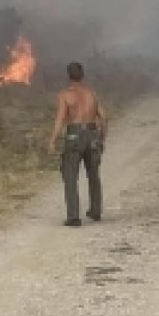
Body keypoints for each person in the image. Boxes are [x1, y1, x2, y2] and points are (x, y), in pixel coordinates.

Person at [48, 61, 109, 226]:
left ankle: (73, 216)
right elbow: (103, 116)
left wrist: (53, 139)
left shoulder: (65, 95)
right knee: (93, 174)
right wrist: (102, 136)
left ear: (68, 75)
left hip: (74, 135)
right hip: (92, 133)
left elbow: (60, 118)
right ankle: (96, 211)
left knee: (70, 176)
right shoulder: (92, 94)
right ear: (83, 75)